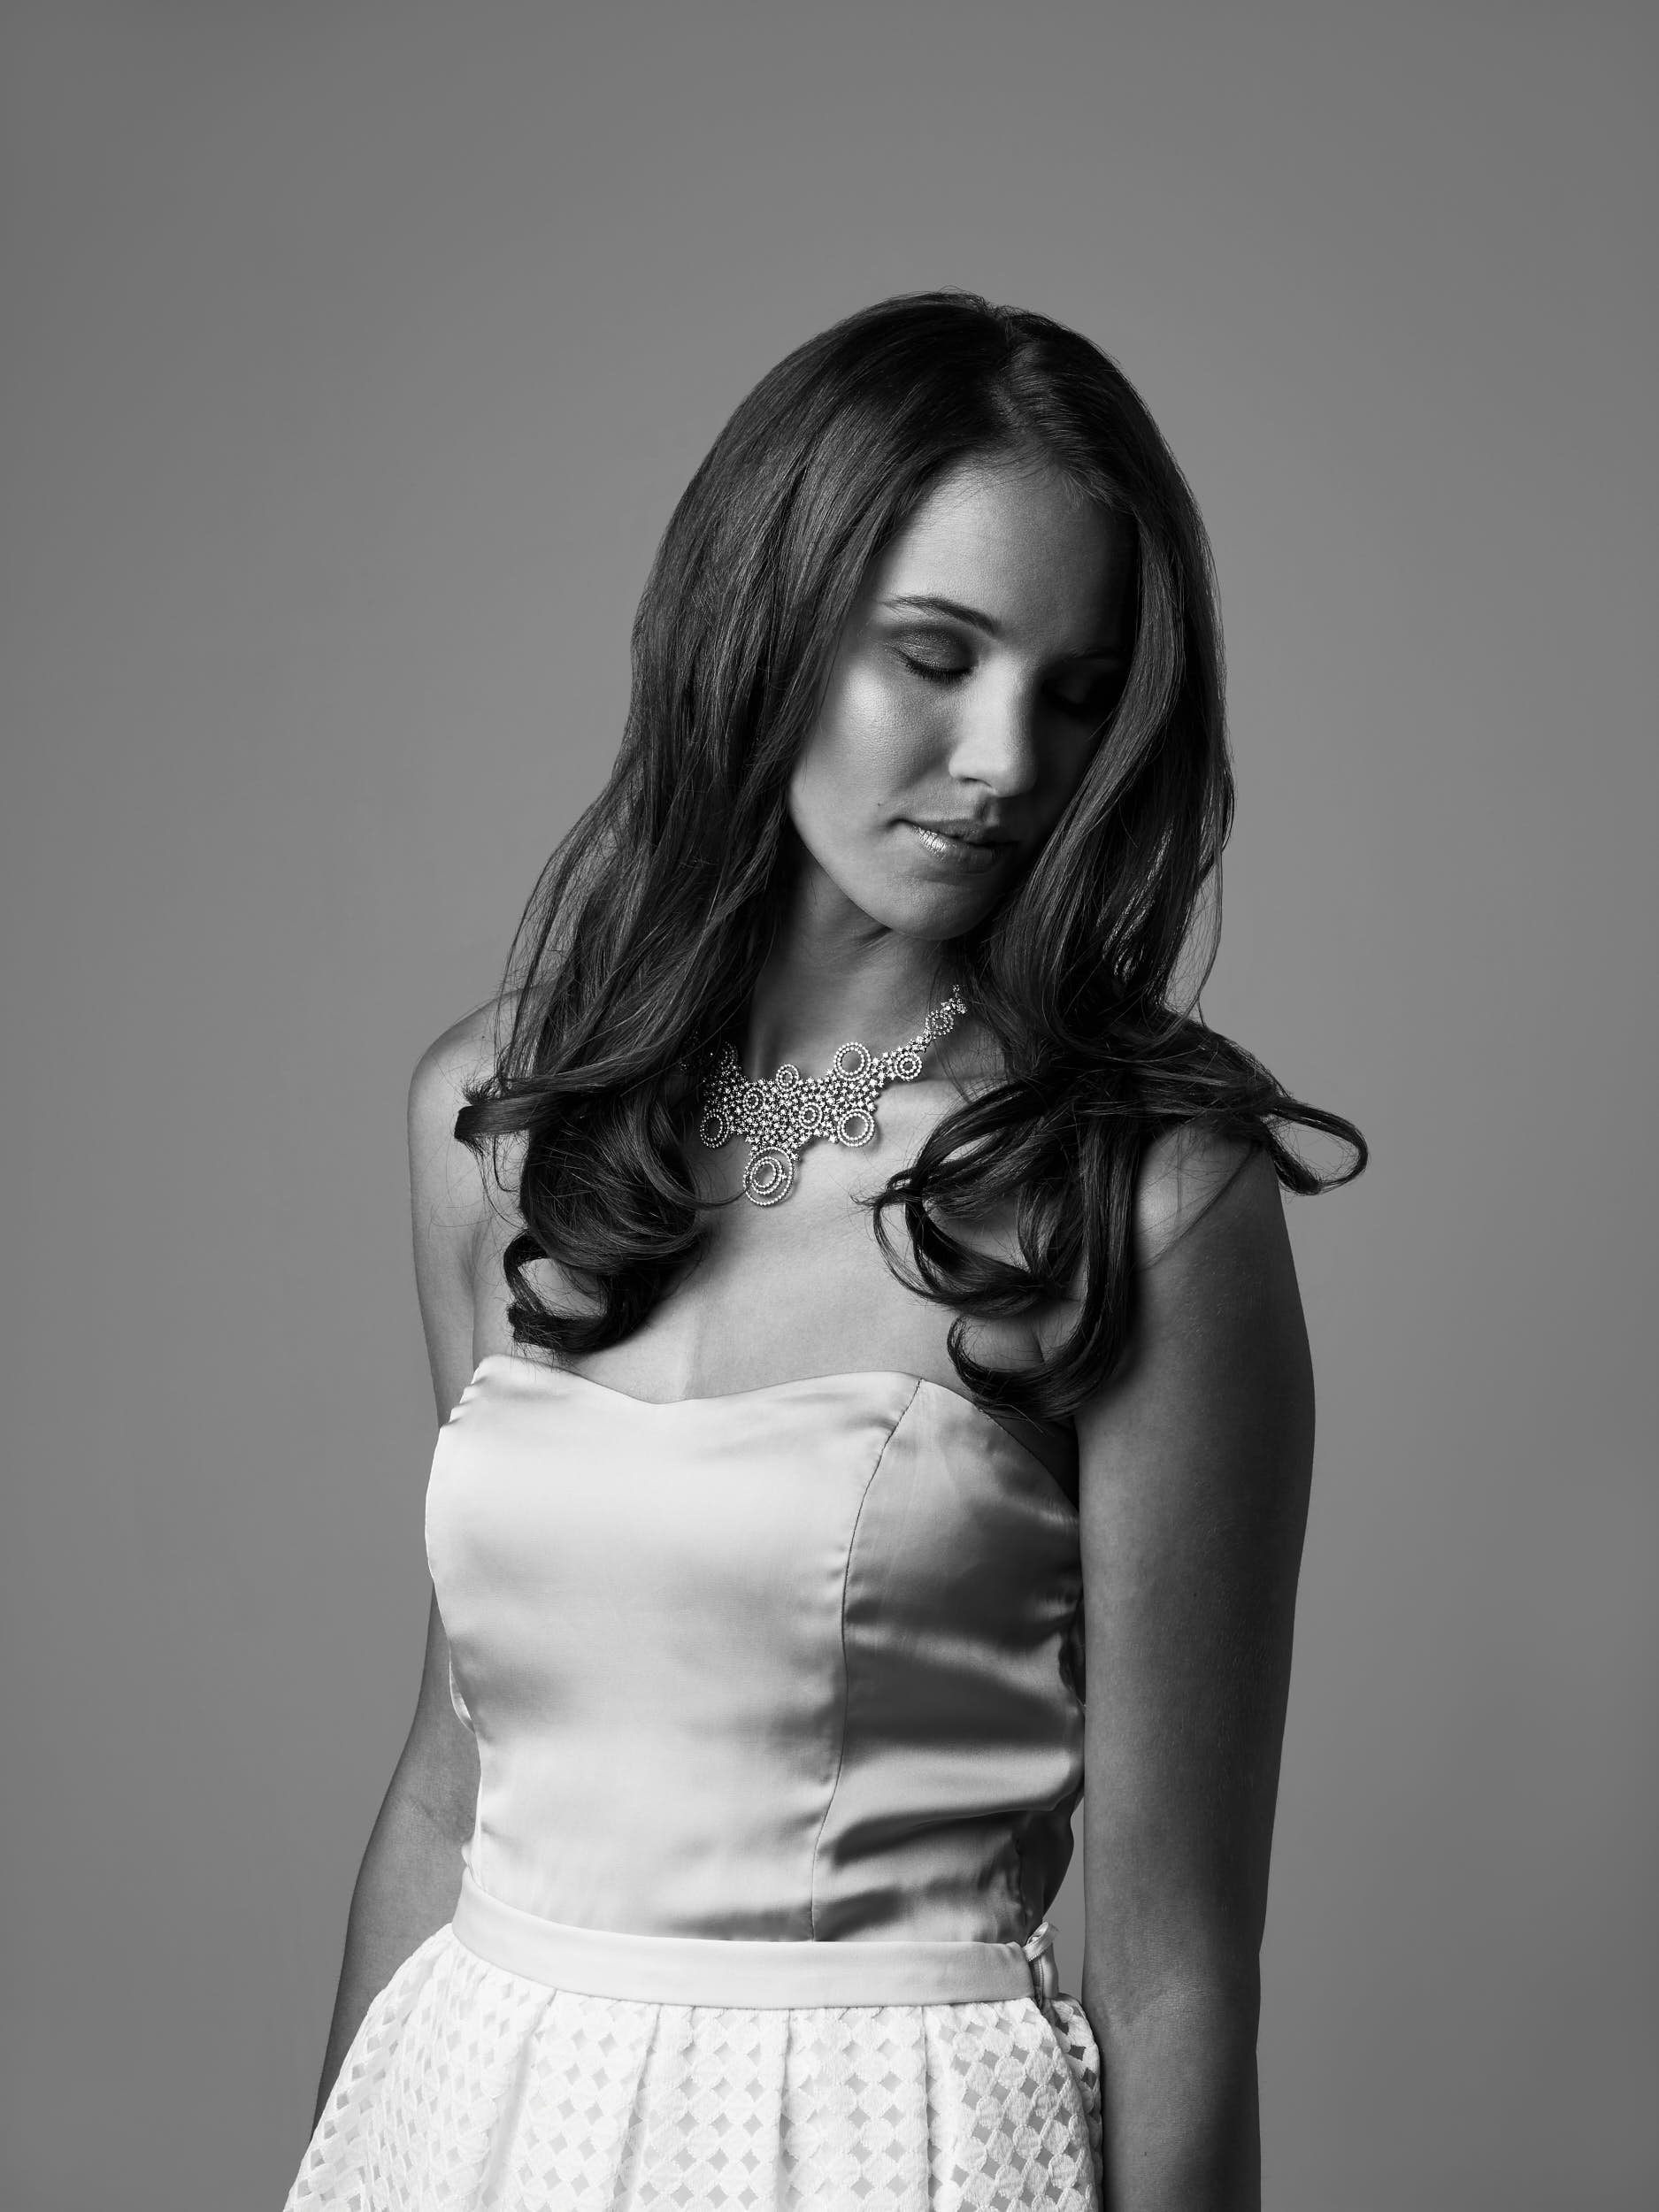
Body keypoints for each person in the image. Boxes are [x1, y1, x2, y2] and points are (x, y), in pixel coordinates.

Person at [285, 290, 1365, 2212]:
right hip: (472, 2112)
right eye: (931, 655)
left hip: (895, 2145)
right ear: (766, 625)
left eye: (1075, 687)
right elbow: (450, 1775)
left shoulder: (1143, 1198)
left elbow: (1175, 1956)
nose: (1002, 761)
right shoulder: (499, 1122)